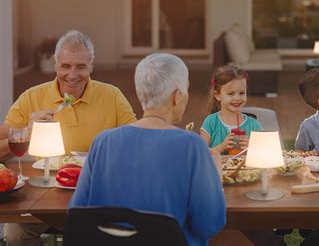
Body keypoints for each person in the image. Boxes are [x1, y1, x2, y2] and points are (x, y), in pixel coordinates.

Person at [70, 53, 226, 245]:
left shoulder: (103, 142)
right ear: (177, 97)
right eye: (186, 90)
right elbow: (209, 224)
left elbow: (77, 215)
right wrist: (216, 177)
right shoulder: (192, 146)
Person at [0, 30, 136, 246]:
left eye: (80, 66)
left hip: (95, 195)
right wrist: (26, 132)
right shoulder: (31, 97)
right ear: (55, 63)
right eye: (66, 66)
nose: (72, 75)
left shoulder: (112, 96)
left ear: (91, 65)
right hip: (41, 194)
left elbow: (136, 143)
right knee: (16, 235)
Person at [200, 65, 262, 155]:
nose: (237, 98)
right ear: (217, 95)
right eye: (230, 94)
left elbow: (265, 155)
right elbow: (201, 154)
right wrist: (221, 147)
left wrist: (253, 147)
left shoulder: (254, 125)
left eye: (242, 93)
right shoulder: (210, 122)